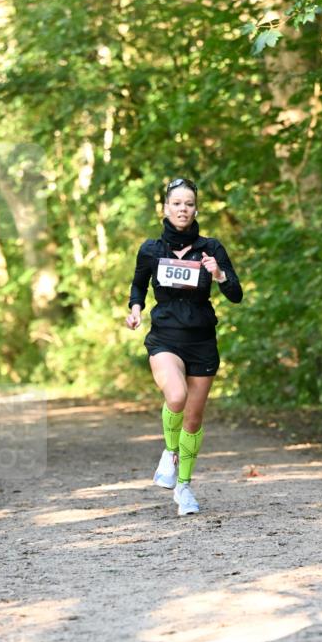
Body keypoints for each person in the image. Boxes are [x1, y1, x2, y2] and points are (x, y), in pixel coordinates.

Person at [126, 177, 243, 515]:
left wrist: (219, 274)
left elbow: (236, 294)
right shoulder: (151, 249)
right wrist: (135, 311)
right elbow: (137, 287)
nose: (183, 209)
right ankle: (168, 451)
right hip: (165, 336)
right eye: (177, 203)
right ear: (166, 208)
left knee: (193, 418)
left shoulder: (211, 247)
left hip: (202, 340)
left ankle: (184, 487)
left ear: (195, 210)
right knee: (175, 396)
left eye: (189, 204)